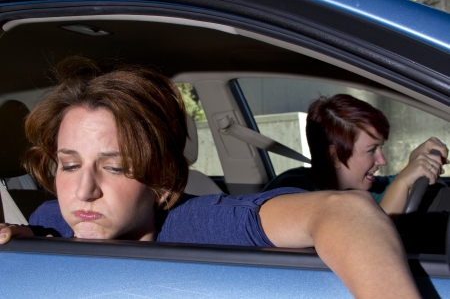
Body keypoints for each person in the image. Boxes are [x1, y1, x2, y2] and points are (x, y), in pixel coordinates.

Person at [0, 57, 420, 298]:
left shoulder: (195, 223)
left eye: (115, 167)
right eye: (69, 165)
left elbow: (344, 211)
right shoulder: (52, 218)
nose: (84, 191)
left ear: (163, 181)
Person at [263, 94, 448, 216]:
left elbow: (390, 185)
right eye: (371, 150)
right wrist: (402, 183)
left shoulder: (358, 186)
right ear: (335, 157)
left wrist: (413, 163)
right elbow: (367, 242)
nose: (382, 160)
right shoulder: (292, 196)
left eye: (380, 148)